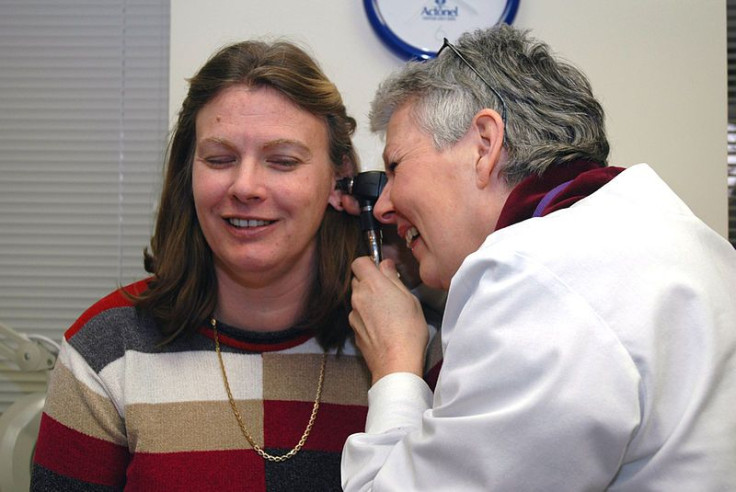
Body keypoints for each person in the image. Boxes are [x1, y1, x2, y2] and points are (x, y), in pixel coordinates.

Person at [341, 24, 736, 490]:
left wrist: (395, 367)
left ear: (484, 145)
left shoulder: (537, 286)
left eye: (396, 167)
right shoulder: (672, 235)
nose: (383, 206)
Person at [30, 39, 371, 491]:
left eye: (282, 161)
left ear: (338, 177)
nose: (245, 186)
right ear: (188, 172)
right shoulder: (106, 353)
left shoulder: (400, 346)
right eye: (219, 159)